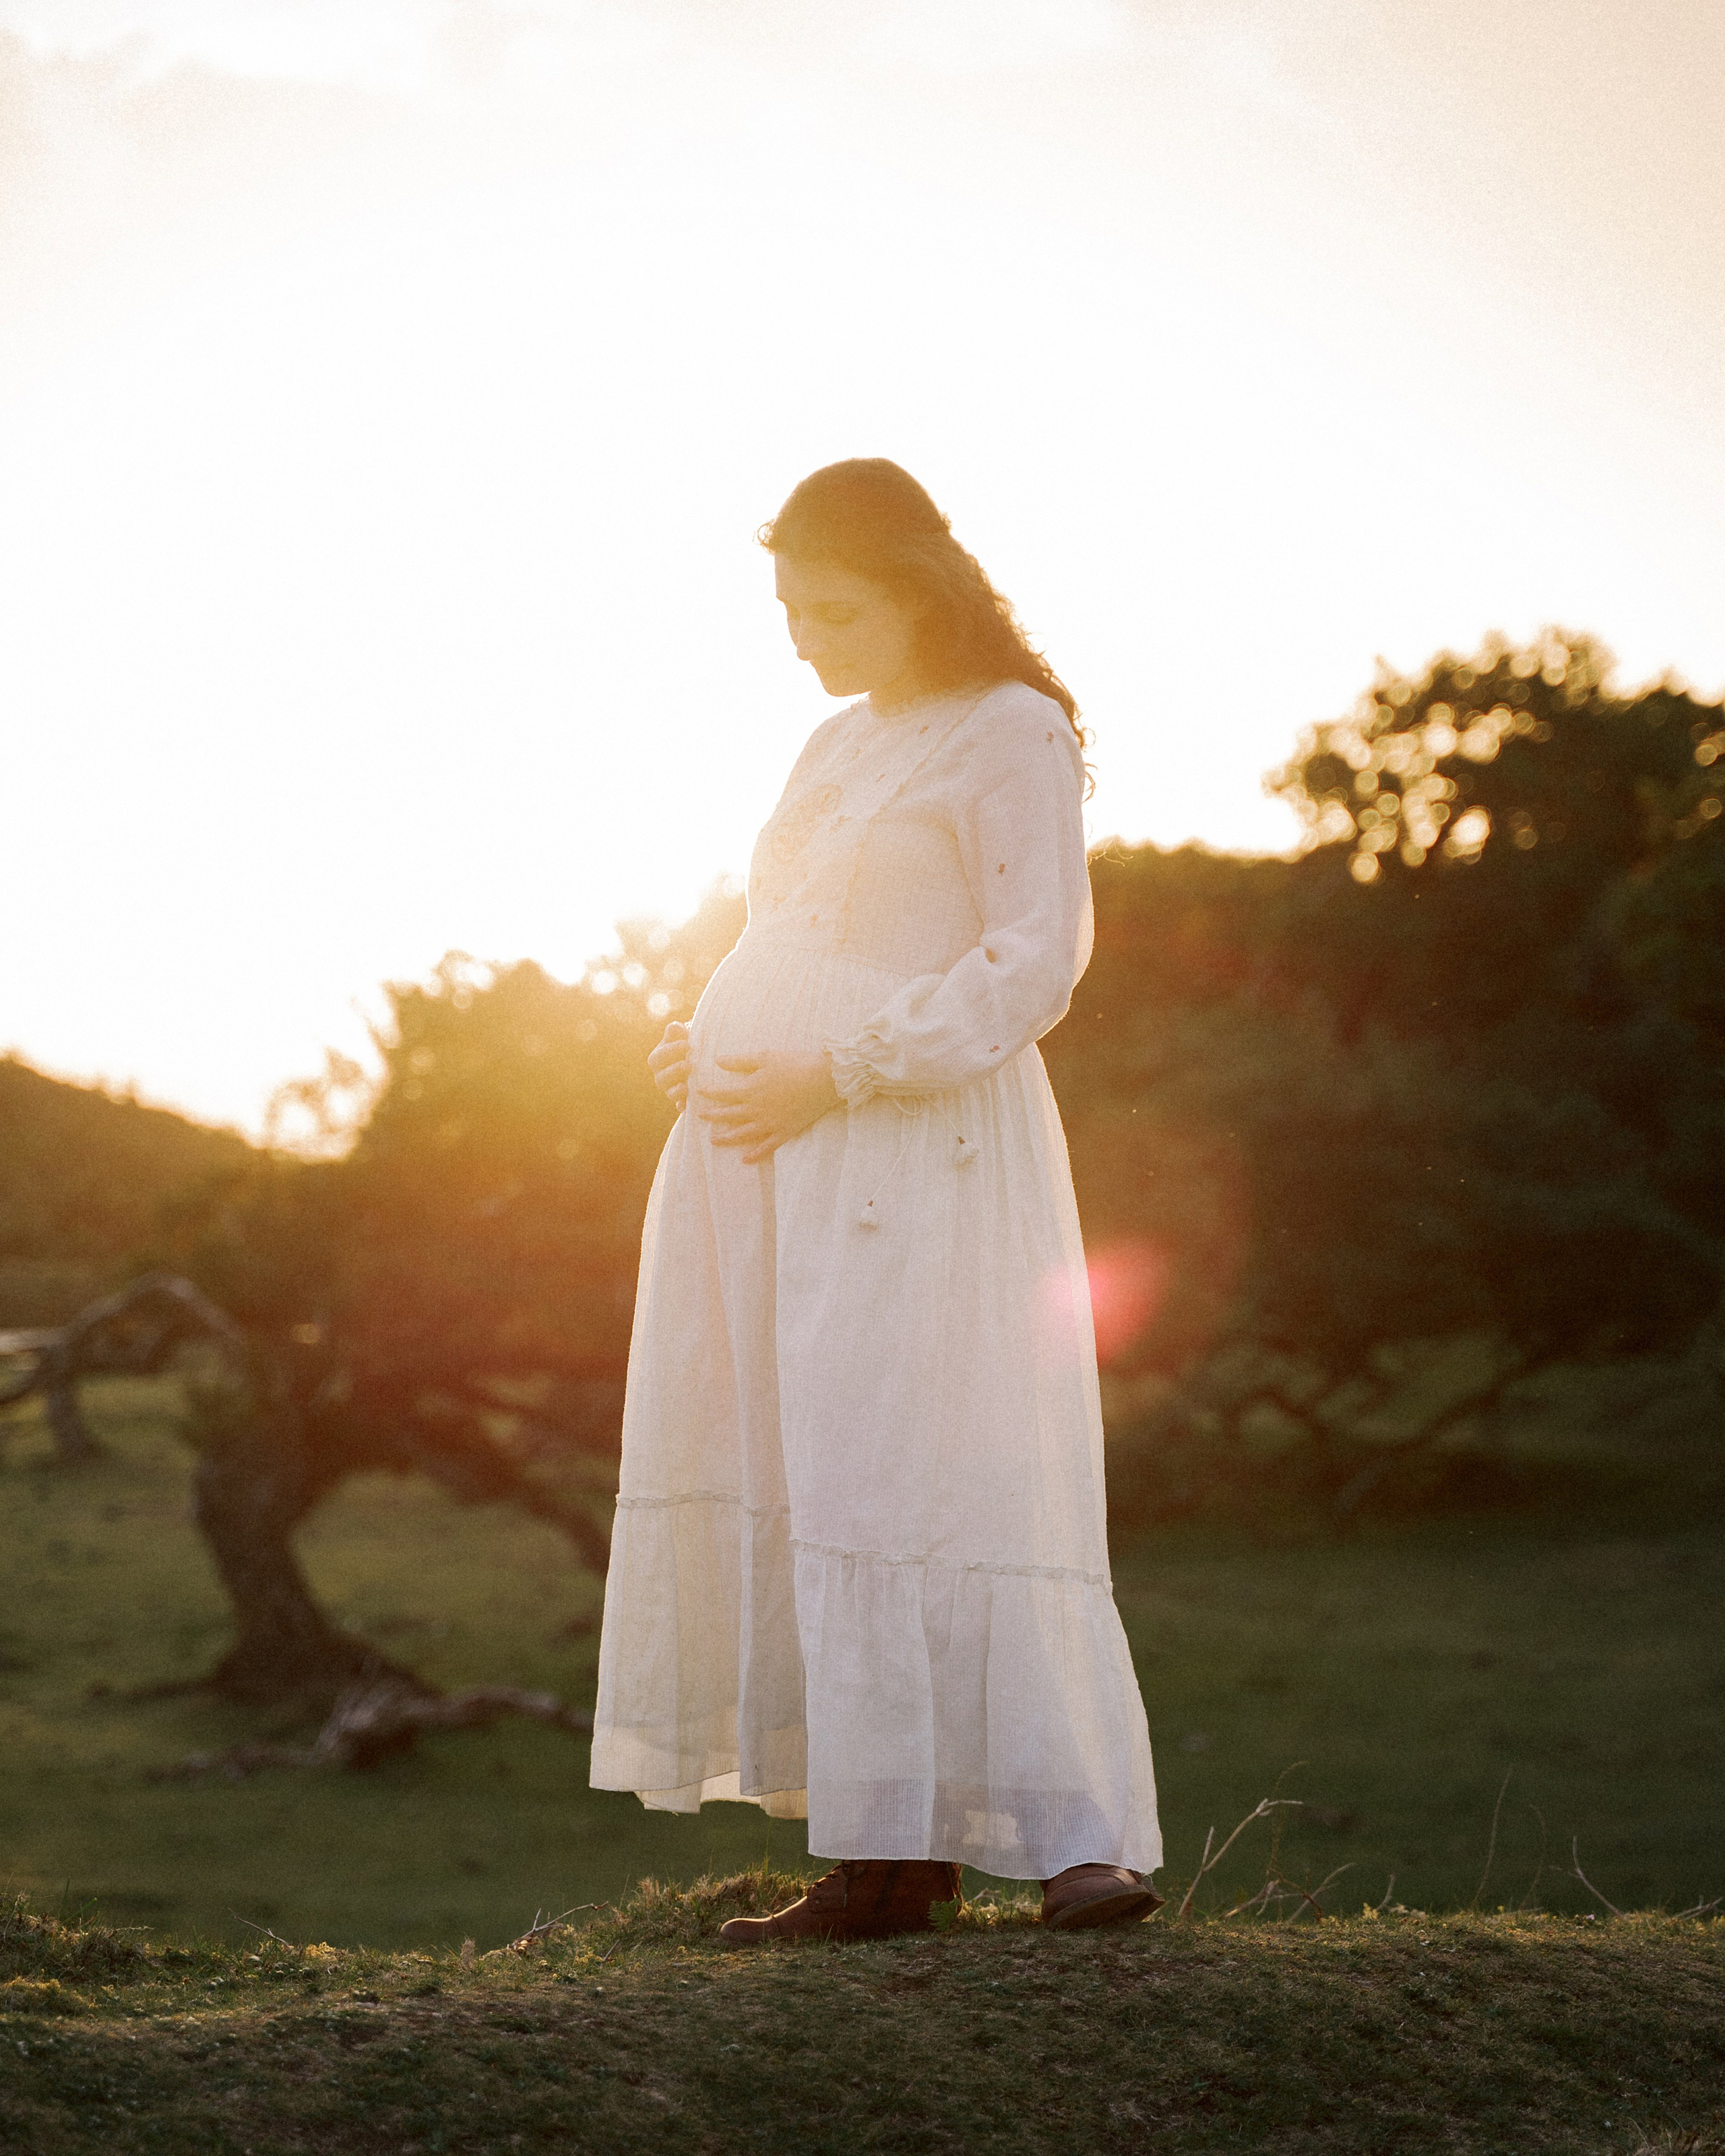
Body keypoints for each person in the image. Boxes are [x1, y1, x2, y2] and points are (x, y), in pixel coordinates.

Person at [590, 459, 1162, 1944]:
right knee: (823, 1469)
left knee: (946, 1460)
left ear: (917, 589)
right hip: (765, 1150)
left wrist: (841, 1065)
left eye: (832, 609)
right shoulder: (832, 746)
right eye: (789, 611)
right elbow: (789, 932)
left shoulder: (1012, 729)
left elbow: (1032, 955)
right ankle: (882, 1857)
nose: (805, 638)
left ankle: (1077, 1842)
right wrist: (709, 1035)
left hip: (915, 1146)